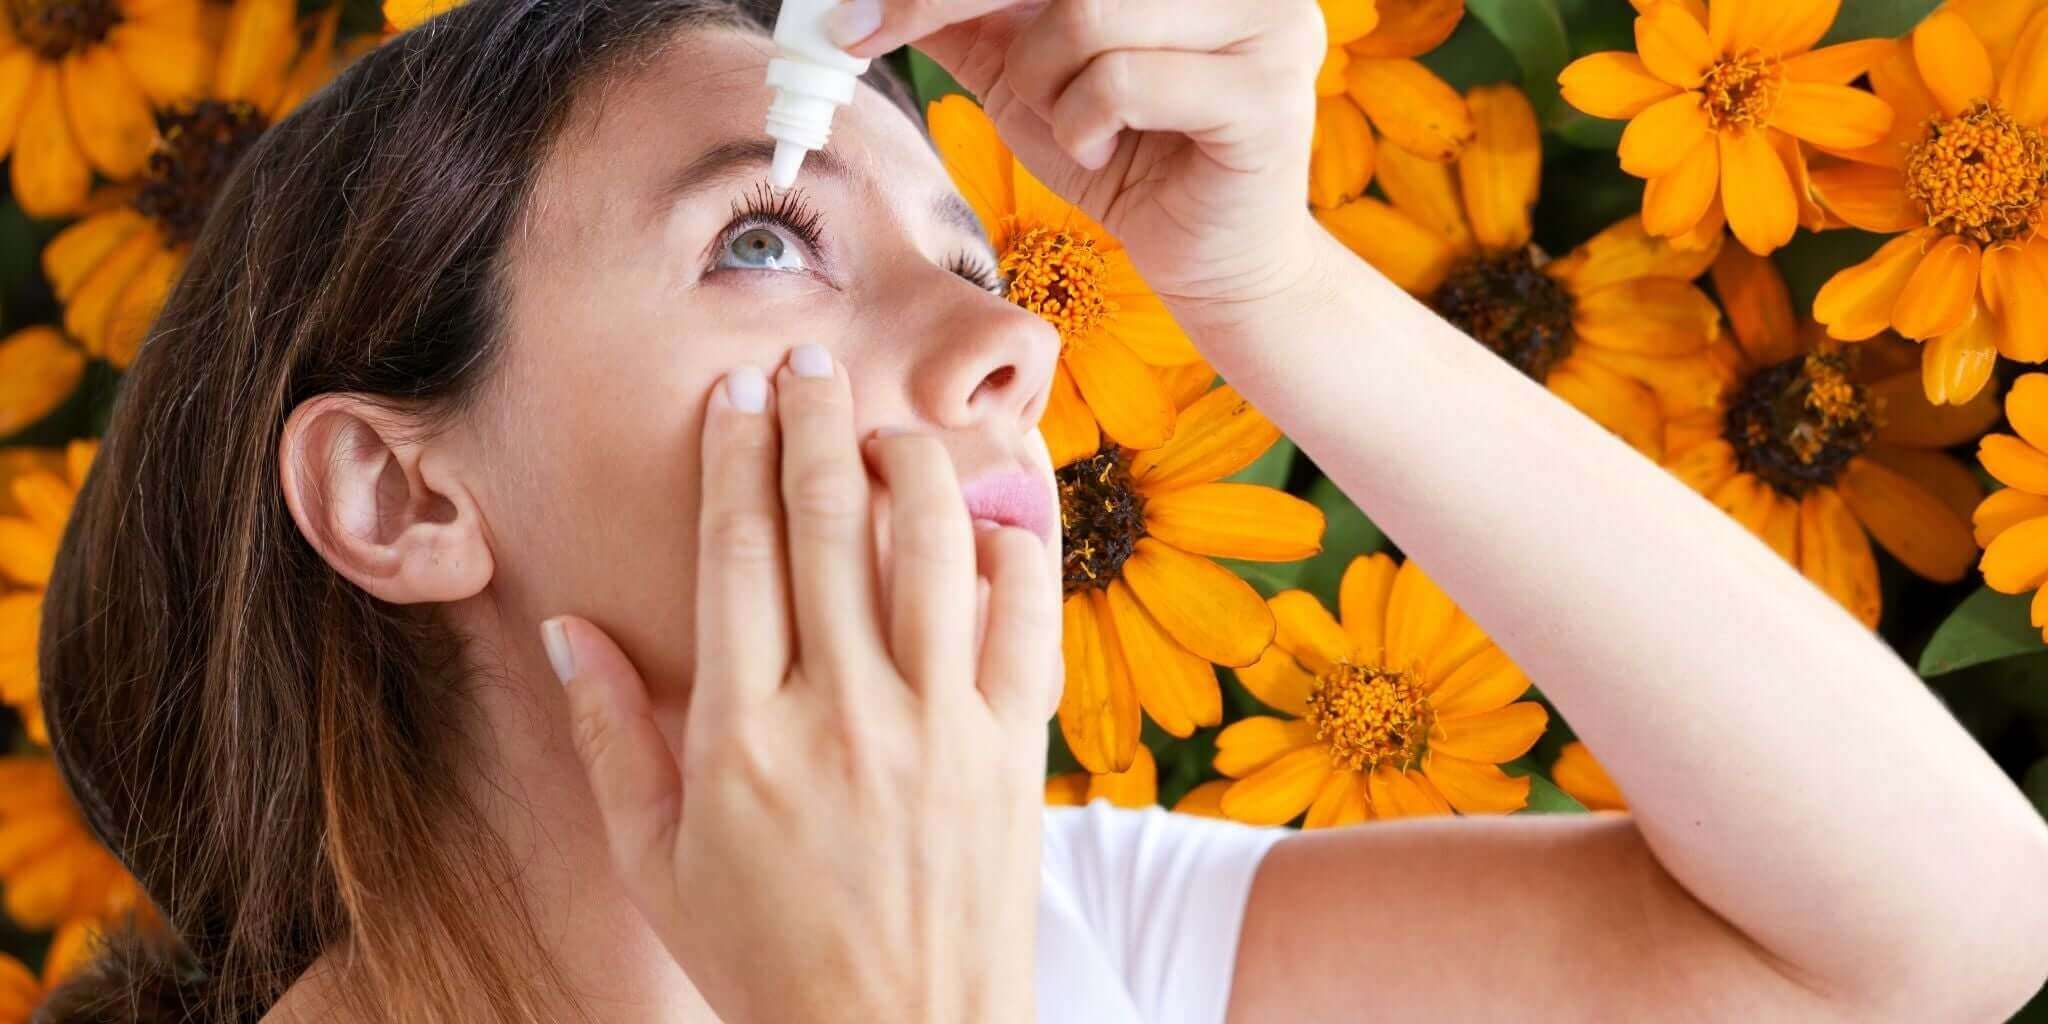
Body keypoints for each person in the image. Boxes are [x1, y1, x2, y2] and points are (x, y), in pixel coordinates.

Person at [28, 0, 2048, 1020]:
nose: (1009, 348)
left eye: (975, 253)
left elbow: (1936, 938)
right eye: (758, 236)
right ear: (396, 489)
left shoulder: (1079, 929)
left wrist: (1261, 283)